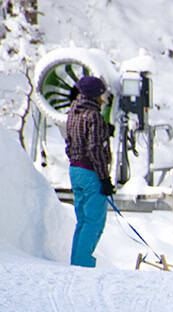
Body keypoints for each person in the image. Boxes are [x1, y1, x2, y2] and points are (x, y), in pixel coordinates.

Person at [65, 75, 113, 267]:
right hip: (91, 172)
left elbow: (69, 142)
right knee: (94, 222)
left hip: (75, 170)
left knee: (82, 220)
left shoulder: (73, 112)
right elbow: (95, 148)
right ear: (96, 95)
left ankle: (77, 260)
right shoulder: (94, 116)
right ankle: (83, 263)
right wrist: (104, 178)